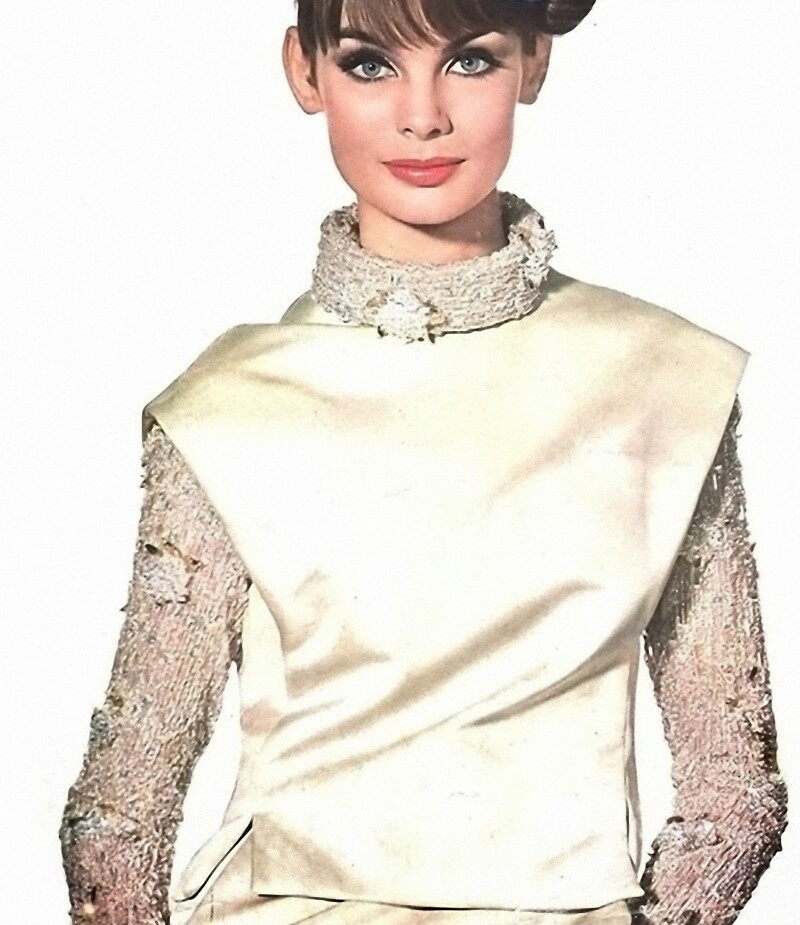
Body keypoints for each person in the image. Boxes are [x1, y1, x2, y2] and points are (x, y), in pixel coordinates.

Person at [60, 1, 788, 924]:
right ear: (304, 71)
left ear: (534, 61)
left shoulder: (663, 378)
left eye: (469, 61)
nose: (423, 115)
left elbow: (736, 796)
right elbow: (117, 821)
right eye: (370, 63)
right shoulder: (226, 406)